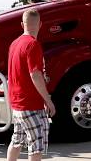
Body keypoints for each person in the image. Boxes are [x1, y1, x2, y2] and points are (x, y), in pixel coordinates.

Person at [7, 9, 56, 161]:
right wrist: (48, 100)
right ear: (40, 25)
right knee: (36, 146)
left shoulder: (14, 44)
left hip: (16, 104)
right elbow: (35, 74)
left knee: (16, 141)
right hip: (31, 105)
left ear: (22, 24)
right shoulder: (33, 44)